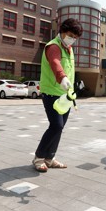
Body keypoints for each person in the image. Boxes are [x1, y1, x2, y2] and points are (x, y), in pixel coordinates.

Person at [32, 18, 83, 172]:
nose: (72, 39)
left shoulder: (68, 48)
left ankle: (49, 158)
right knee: (56, 125)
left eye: (75, 37)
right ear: (62, 31)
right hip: (51, 93)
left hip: (65, 95)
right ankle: (39, 157)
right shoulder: (53, 46)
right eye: (70, 35)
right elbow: (55, 63)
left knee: (59, 128)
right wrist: (62, 77)